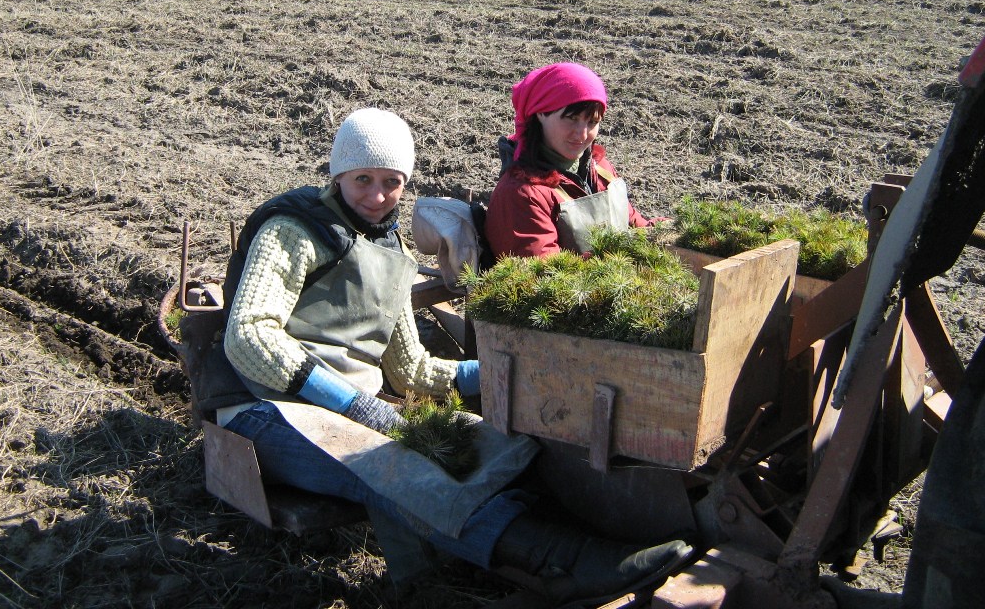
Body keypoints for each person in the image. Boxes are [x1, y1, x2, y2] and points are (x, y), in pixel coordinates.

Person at [216, 107, 691, 603]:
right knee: (396, 469)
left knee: (498, 446)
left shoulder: (389, 247)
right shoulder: (294, 230)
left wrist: (500, 374)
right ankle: (563, 561)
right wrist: (350, 403)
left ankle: (585, 544)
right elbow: (249, 334)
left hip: (349, 410)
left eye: (392, 182)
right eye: (362, 180)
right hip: (268, 410)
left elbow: (412, 370)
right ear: (337, 174)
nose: (377, 197)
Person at [485, 62, 664, 258]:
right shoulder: (522, 194)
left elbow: (637, 228)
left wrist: (671, 232)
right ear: (540, 113)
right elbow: (546, 278)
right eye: (571, 118)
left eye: (592, 122)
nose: (582, 133)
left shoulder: (600, 169)